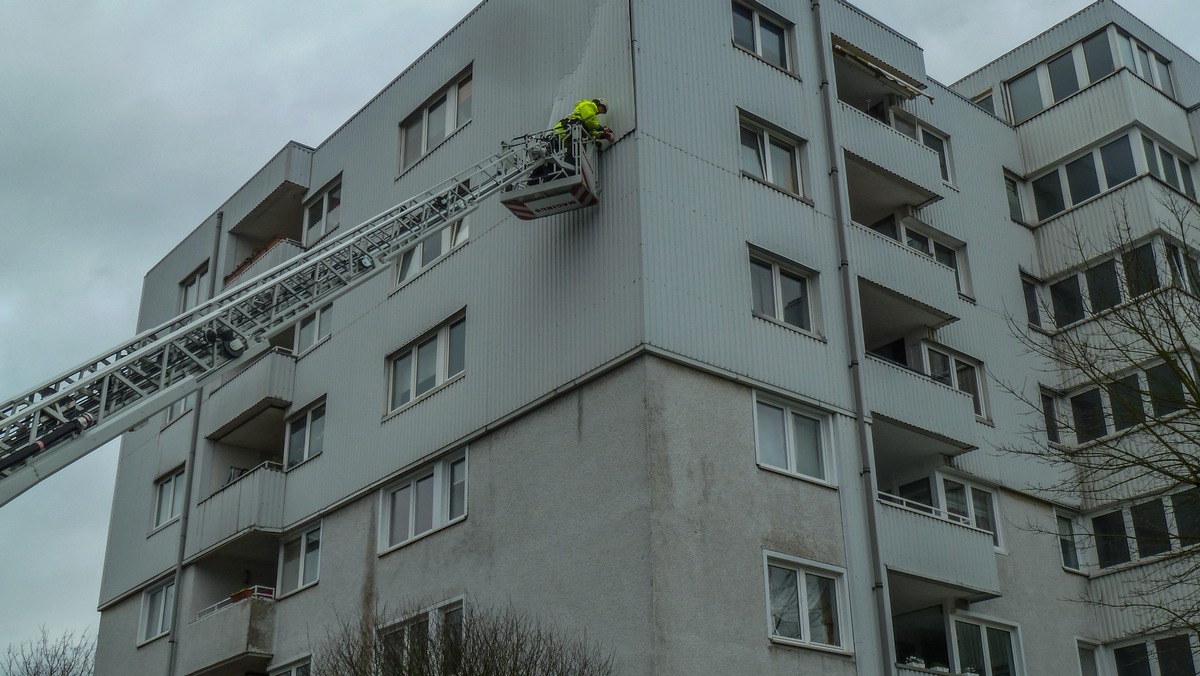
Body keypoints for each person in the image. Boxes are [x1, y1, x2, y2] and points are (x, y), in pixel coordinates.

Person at [530, 98, 613, 184]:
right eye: (602, 108)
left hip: (562, 138)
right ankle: (535, 182)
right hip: (557, 137)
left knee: (547, 163)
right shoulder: (588, 105)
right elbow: (589, 120)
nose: (601, 111)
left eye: (603, 111)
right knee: (547, 161)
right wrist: (602, 128)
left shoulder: (589, 117)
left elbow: (591, 131)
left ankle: (536, 183)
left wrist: (603, 135)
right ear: (598, 103)